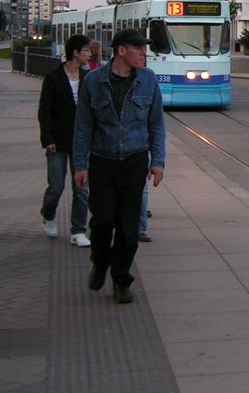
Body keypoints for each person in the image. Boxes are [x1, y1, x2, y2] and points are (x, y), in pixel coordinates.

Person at [73, 28, 165, 305]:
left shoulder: (148, 80)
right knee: (102, 223)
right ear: (121, 51)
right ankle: (101, 262)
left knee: (128, 228)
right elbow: (83, 126)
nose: (144, 54)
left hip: (134, 162)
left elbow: (156, 125)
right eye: (138, 49)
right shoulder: (93, 81)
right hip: (102, 162)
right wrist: (80, 164)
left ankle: (121, 280)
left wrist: (157, 161)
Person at [38, 34, 93, 247]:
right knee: (56, 186)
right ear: (76, 53)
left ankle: (78, 230)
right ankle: (48, 213)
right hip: (58, 140)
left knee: (81, 187)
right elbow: (45, 110)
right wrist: (47, 138)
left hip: (81, 141)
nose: (90, 54)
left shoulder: (88, 77)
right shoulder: (53, 78)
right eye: (86, 50)